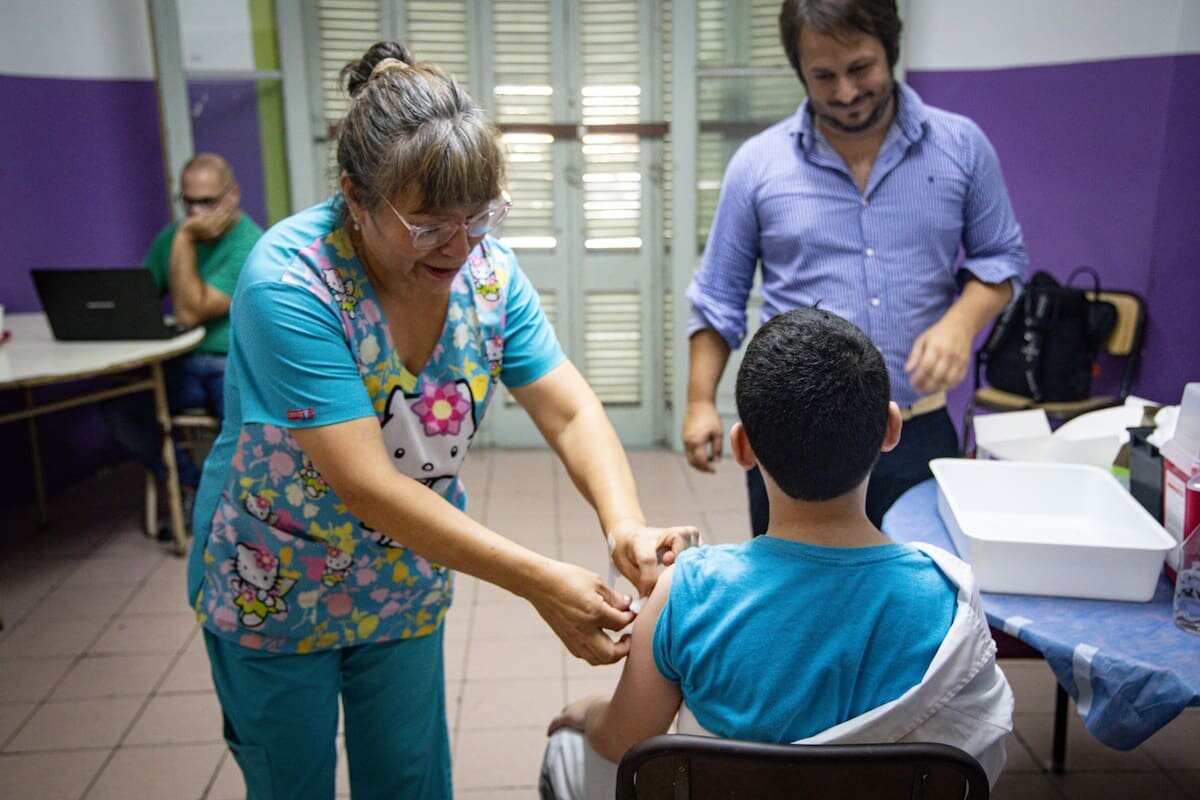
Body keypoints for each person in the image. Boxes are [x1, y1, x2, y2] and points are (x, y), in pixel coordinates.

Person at [186, 42, 698, 800]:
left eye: (480, 216)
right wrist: (537, 581)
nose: (460, 247)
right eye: (428, 225)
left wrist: (623, 524)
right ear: (356, 196)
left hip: (403, 580)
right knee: (289, 782)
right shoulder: (290, 283)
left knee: (408, 778)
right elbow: (363, 483)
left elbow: (567, 408)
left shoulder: (488, 274)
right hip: (273, 584)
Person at [541, 308, 1014, 798]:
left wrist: (587, 710)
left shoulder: (686, 591)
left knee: (568, 750)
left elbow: (623, 740)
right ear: (891, 430)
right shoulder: (948, 596)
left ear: (742, 447)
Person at [682, 0, 1028, 531]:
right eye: (823, 76)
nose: (844, 92)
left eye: (860, 68)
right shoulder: (757, 165)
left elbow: (1002, 258)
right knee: (799, 604)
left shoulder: (961, 146)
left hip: (918, 429)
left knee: (917, 597)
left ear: (891, 49)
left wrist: (960, 323)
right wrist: (700, 401)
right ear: (800, 70)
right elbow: (717, 297)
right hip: (792, 432)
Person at [101, 153, 262, 515]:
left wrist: (186, 238)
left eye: (206, 201)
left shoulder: (251, 244)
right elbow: (139, 297)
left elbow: (190, 311)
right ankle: (188, 484)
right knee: (120, 409)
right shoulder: (173, 237)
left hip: (230, 363)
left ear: (232, 195)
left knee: (247, 432)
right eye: (187, 201)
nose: (194, 212)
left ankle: (232, 506)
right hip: (182, 363)